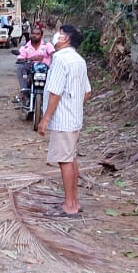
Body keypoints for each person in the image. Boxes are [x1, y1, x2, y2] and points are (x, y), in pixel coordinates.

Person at [37, 25, 91, 217]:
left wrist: (45, 119)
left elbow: (55, 92)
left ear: (65, 38)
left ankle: (70, 205)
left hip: (63, 120)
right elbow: (87, 92)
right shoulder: (79, 60)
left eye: (59, 33)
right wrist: (74, 106)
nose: (56, 36)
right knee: (71, 158)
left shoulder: (60, 59)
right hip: (74, 118)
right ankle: (73, 200)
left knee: (64, 160)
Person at [14, 24, 54, 98]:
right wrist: (30, 59)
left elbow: (53, 54)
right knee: (20, 67)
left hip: (45, 68)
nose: (34, 35)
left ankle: (53, 92)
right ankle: (24, 91)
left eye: (37, 34)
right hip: (30, 67)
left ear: (41, 36)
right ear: (30, 35)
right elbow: (20, 58)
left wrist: (43, 59)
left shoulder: (47, 45)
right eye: (33, 34)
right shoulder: (25, 47)